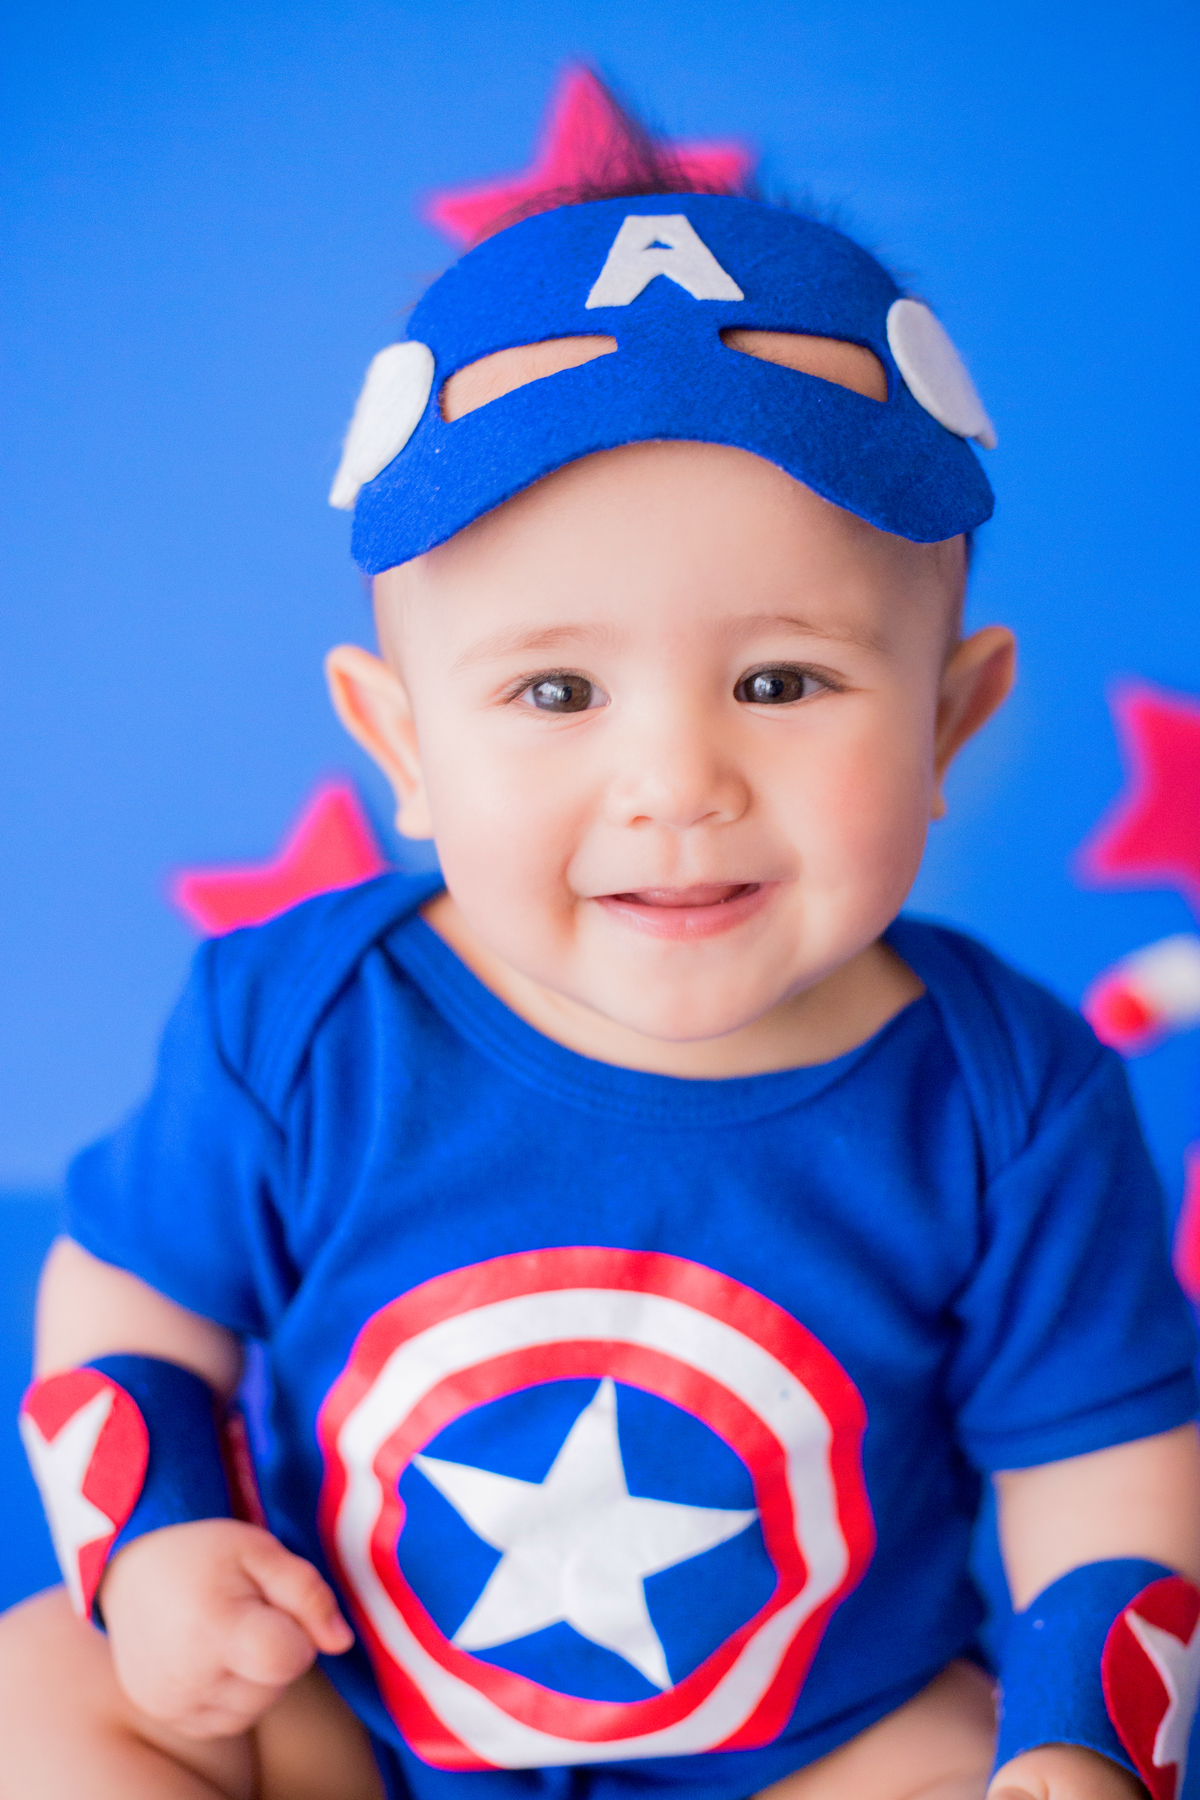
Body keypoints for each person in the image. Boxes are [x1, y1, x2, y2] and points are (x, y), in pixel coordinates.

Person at [3, 76, 1199, 1800]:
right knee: (48, 1687)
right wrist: (157, 1551)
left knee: (965, 1764)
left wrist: (1081, 1756)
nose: (674, 783)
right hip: (350, 1720)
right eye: (555, 690)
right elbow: (126, 1297)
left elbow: (1108, 1473)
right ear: (402, 746)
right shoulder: (302, 1028)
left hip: (818, 1748)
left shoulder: (1011, 1103)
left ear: (953, 719)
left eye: (780, 682)